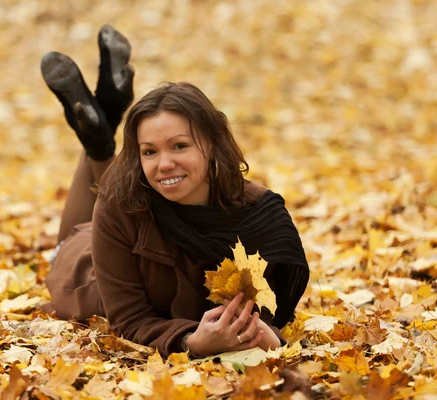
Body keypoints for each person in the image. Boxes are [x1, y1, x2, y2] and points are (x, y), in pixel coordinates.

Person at [40, 25, 309, 358]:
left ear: (212, 145)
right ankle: (102, 131)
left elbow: (271, 314)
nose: (164, 163)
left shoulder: (260, 214)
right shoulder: (117, 208)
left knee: (118, 193)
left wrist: (269, 339)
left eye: (180, 146)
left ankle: (103, 124)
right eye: (149, 151)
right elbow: (129, 319)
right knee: (71, 239)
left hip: (125, 221)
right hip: (89, 271)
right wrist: (191, 342)